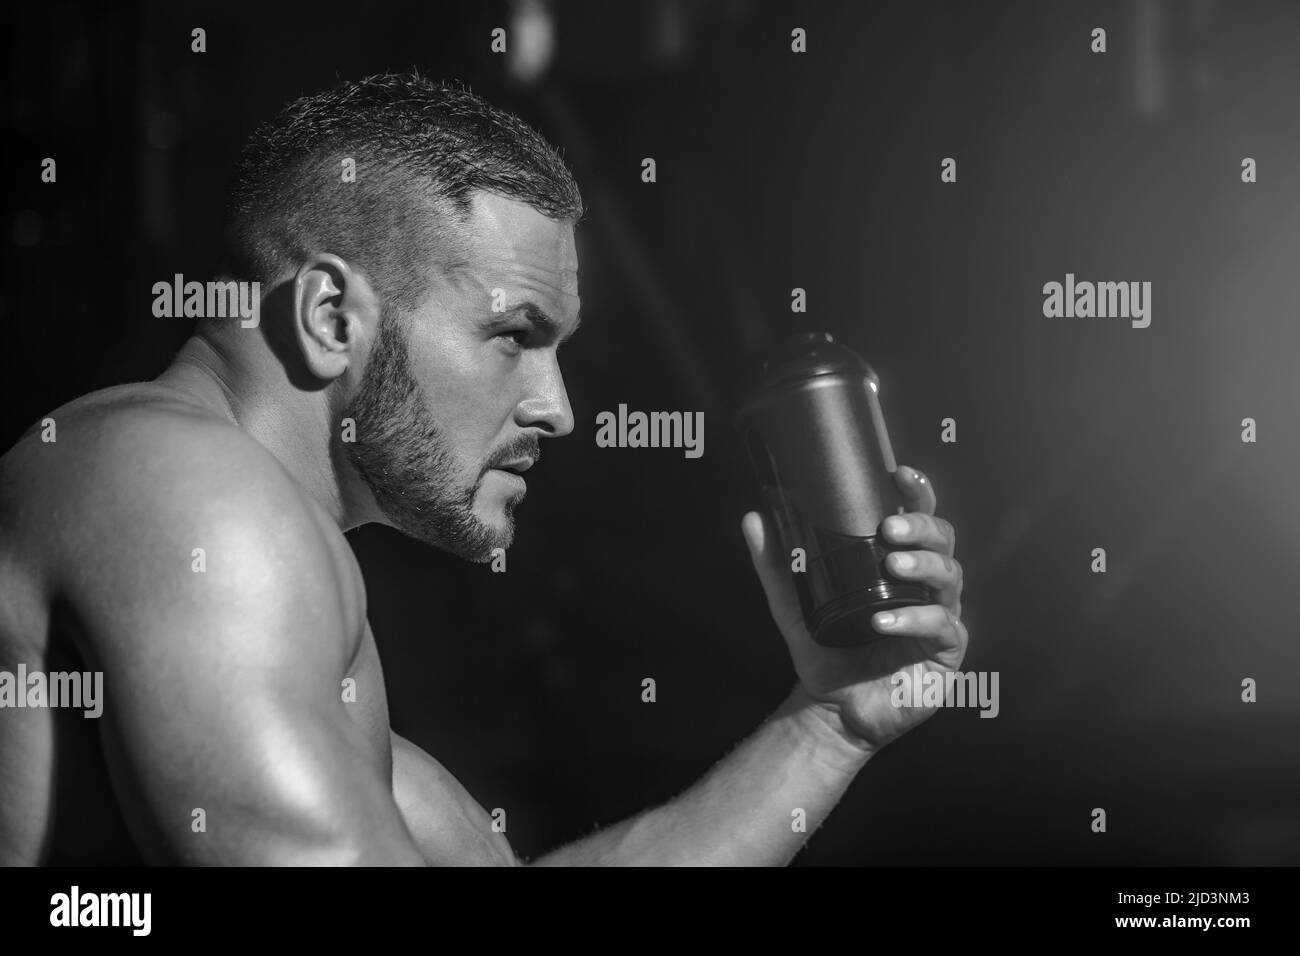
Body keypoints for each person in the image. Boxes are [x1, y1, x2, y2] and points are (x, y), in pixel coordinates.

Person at [0, 73, 967, 865]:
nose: (560, 407)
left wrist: (827, 723)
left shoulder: (264, 569)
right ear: (332, 318)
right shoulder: (191, 497)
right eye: (513, 334)